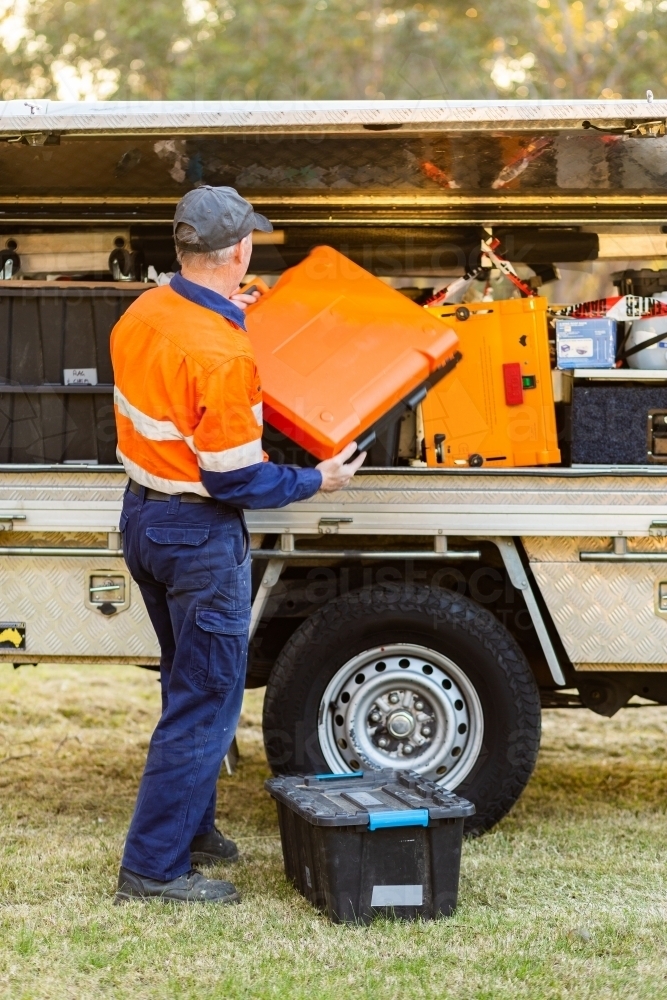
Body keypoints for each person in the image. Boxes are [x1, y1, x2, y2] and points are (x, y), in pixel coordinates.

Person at [110, 186, 365, 904]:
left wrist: (231, 314)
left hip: (145, 519)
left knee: (185, 686)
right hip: (197, 532)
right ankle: (153, 871)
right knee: (207, 699)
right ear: (241, 251)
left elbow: (176, 373)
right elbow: (234, 477)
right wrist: (316, 479)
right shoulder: (221, 353)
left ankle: (192, 831)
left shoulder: (146, 312)